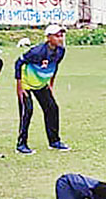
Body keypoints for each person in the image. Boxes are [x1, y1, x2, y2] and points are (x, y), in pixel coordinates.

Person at [15, 23, 69, 153]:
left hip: (41, 84)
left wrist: (50, 84)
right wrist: (20, 87)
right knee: (27, 111)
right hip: (26, 84)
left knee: (52, 108)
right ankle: (21, 145)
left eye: (61, 35)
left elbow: (55, 67)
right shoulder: (37, 51)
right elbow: (18, 62)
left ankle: (54, 141)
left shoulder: (61, 51)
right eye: (57, 36)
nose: (60, 38)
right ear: (48, 37)